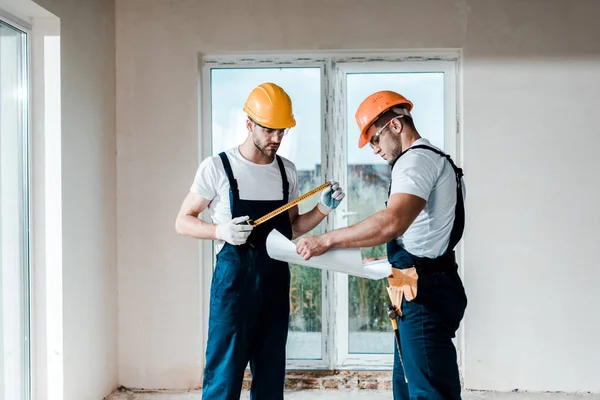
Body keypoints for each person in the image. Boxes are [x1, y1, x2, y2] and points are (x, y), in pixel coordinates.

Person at [175, 82, 345, 400]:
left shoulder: (286, 172)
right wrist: (218, 231)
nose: (277, 139)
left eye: (282, 131)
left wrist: (322, 209)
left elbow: (291, 229)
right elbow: (182, 221)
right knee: (224, 377)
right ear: (249, 124)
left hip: (275, 285)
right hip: (233, 289)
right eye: (269, 131)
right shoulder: (218, 168)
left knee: (270, 376)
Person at [295, 90, 467, 400]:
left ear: (396, 126)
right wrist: (386, 261)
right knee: (408, 383)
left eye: (375, 138)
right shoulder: (436, 159)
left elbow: (392, 222)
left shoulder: (414, 161)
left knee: (428, 391)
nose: (373, 149)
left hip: (423, 294)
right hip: (416, 284)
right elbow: (424, 235)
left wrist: (326, 239)